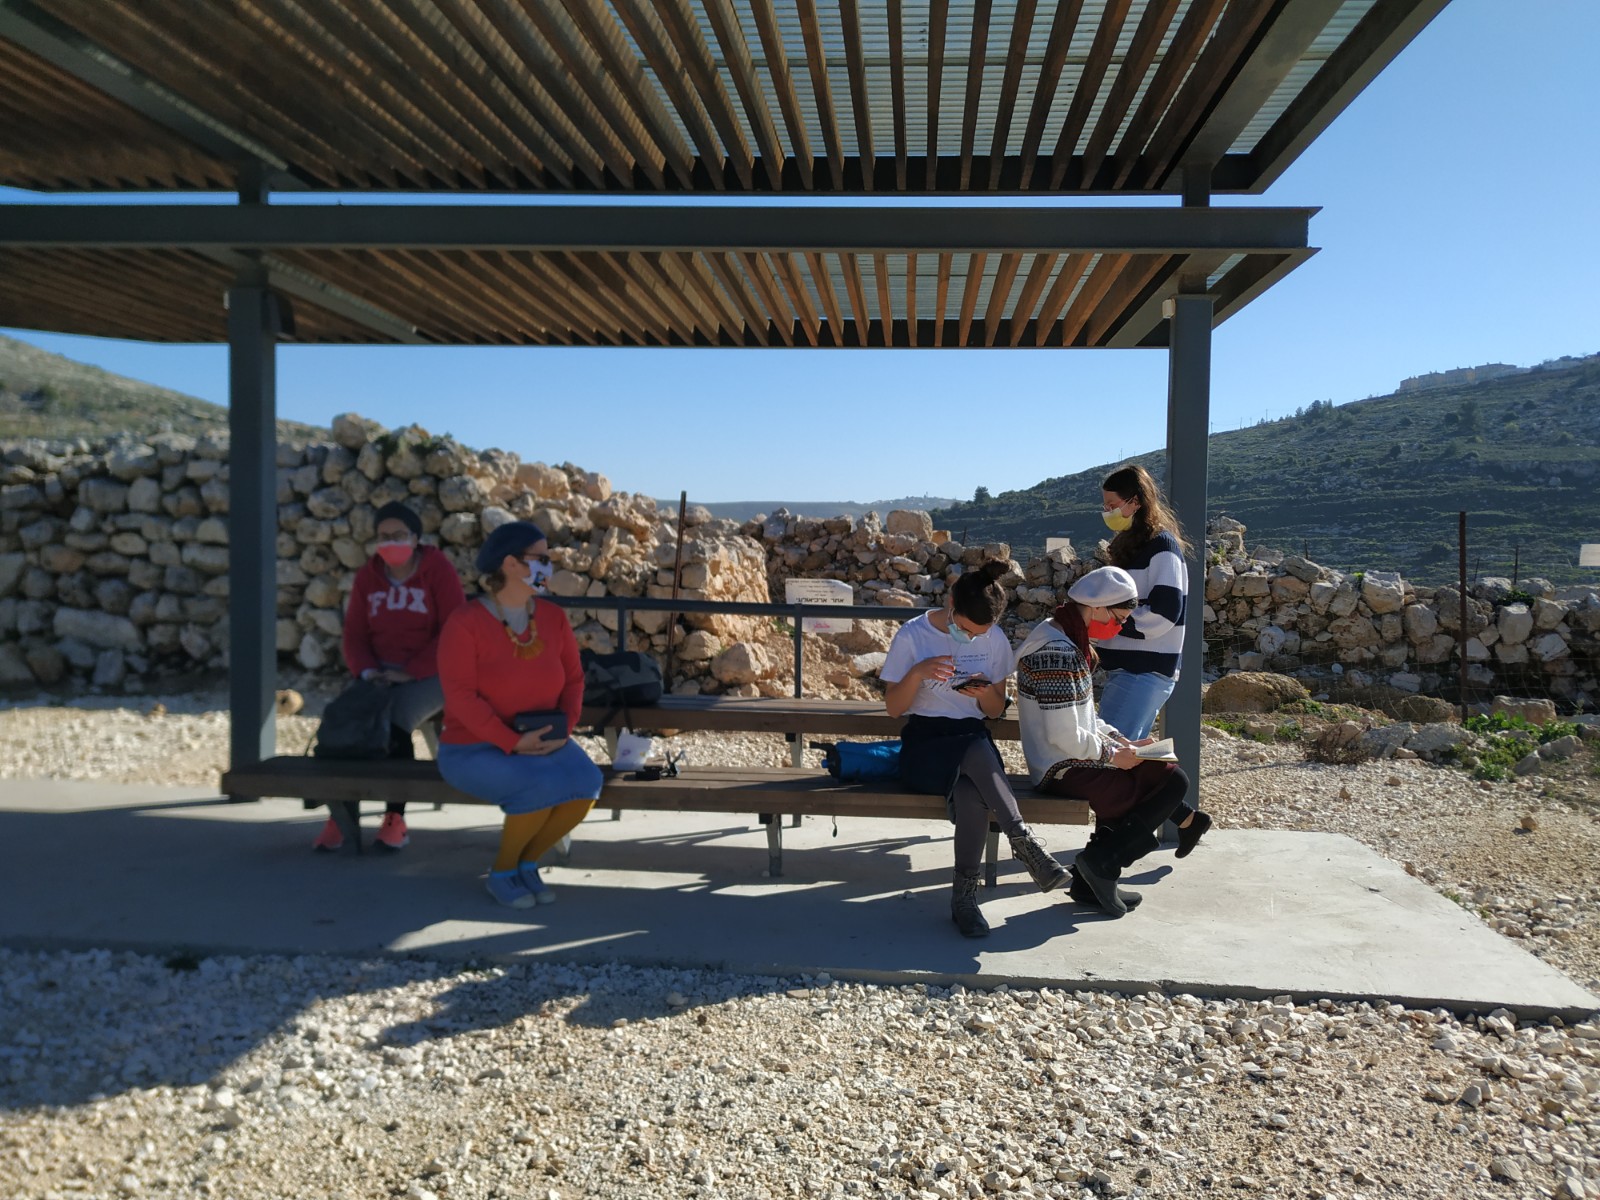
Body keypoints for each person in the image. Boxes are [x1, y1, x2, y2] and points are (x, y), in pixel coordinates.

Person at [881, 560, 1071, 939]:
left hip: (973, 744)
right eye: (966, 630)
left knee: (972, 791)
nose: (970, 638)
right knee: (974, 747)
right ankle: (1024, 844)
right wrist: (918, 672)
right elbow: (893, 708)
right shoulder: (913, 635)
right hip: (926, 745)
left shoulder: (994, 640)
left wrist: (984, 693)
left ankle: (964, 900)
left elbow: (995, 711)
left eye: (978, 634)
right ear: (952, 603)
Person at [435, 521, 603, 909]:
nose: (548, 565)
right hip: (472, 748)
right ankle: (502, 872)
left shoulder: (553, 618)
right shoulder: (465, 622)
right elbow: (460, 697)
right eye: (540, 558)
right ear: (510, 563)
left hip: (545, 738)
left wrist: (565, 729)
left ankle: (528, 864)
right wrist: (512, 741)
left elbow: (574, 680)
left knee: (587, 783)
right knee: (539, 787)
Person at [1015, 566, 1199, 917]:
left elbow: (1082, 718)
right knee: (1169, 782)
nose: (1119, 627)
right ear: (1098, 607)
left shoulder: (1062, 635)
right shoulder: (1058, 651)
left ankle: (1093, 878)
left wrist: (1122, 741)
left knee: (1166, 773)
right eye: (1118, 618)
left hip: (1067, 758)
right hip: (1059, 767)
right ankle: (1102, 865)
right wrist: (1115, 756)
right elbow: (1064, 736)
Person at [314, 500, 465, 853]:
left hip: (433, 670)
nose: (390, 542)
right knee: (345, 721)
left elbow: (454, 631)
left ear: (415, 538)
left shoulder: (439, 572)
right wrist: (368, 671)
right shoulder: (368, 577)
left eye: (399, 534)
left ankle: (395, 817)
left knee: (395, 721)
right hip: (378, 670)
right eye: (383, 536)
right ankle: (341, 814)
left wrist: (409, 672)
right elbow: (354, 634)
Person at [1095, 463, 1211, 856]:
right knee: (1134, 760)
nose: (1107, 512)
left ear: (1136, 502)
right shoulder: (1131, 545)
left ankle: (1105, 848)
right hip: (1130, 671)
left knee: (1111, 762)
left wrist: (1110, 623)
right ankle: (1188, 820)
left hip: (1143, 672)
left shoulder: (1162, 548)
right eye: (1105, 505)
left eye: (1112, 505)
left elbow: (1164, 614)